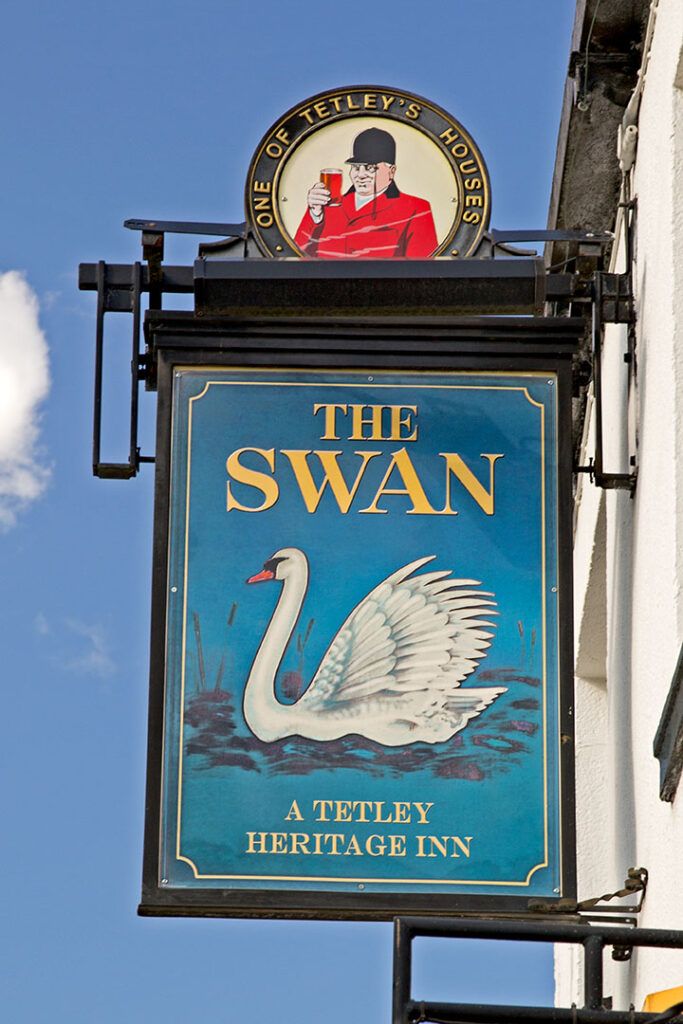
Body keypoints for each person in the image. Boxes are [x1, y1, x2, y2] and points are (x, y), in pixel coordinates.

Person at [294, 127, 438, 258]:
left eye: (370, 168)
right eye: (356, 168)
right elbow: (295, 258)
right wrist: (314, 215)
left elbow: (423, 270)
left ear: (391, 171)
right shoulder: (327, 208)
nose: (360, 175)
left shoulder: (417, 209)